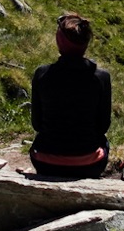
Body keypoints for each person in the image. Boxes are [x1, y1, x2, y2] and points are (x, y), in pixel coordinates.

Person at [29, 12, 112, 179]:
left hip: (46, 162)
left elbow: (37, 124)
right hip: (89, 163)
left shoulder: (42, 74)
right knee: (103, 142)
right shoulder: (101, 77)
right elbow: (103, 126)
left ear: (59, 41)